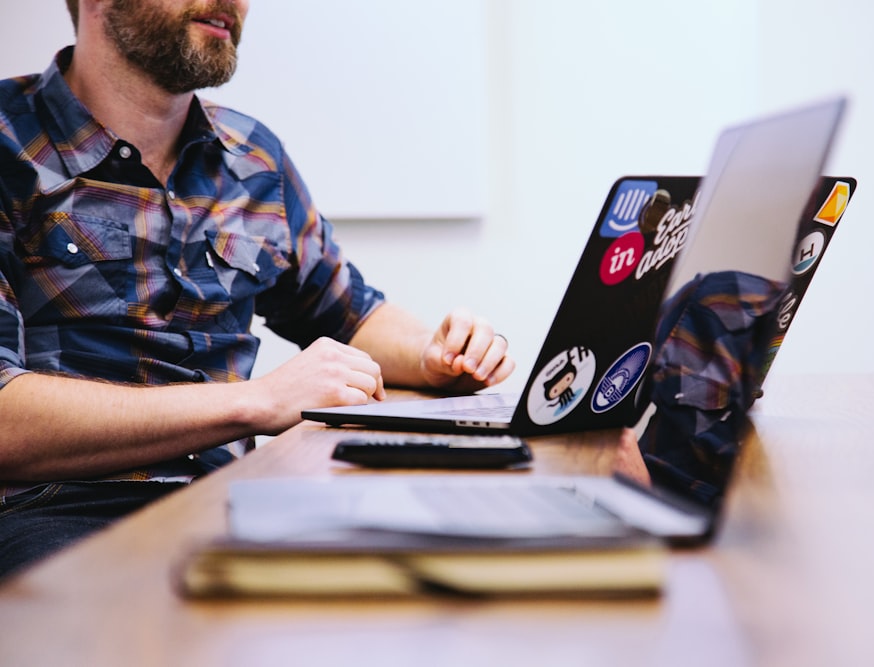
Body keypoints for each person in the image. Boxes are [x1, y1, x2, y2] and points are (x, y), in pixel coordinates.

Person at [0, 0, 514, 577]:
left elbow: (347, 314)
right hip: (58, 514)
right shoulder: (6, 143)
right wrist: (257, 402)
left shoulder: (253, 158)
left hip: (235, 502)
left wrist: (433, 351)